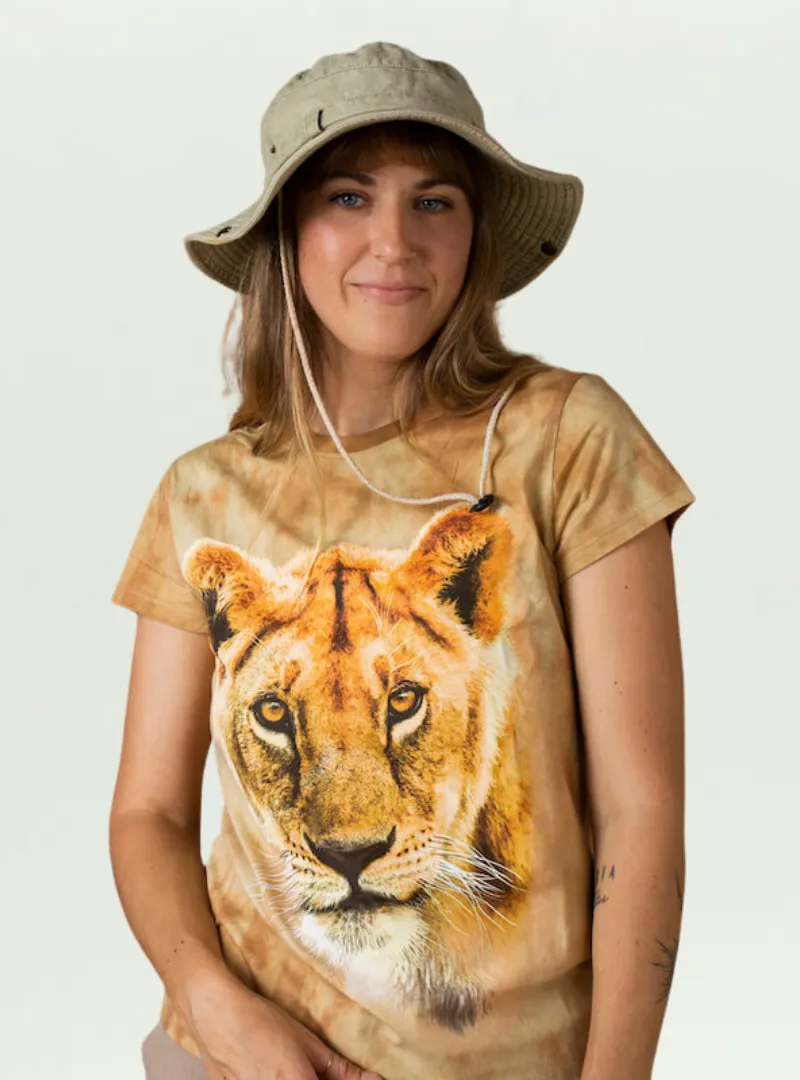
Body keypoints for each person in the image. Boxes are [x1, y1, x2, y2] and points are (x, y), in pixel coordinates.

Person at [109, 40, 695, 1080]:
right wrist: (215, 1007)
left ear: (474, 235)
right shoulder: (202, 492)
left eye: (433, 202)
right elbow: (147, 812)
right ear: (287, 232)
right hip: (234, 1055)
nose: (394, 242)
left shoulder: (564, 438)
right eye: (347, 197)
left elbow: (639, 813)